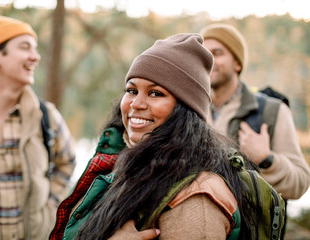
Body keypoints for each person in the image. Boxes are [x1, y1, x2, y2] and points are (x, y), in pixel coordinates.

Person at [50, 33, 256, 240]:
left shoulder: (196, 199)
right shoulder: (130, 167)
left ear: (186, 109)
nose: (136, 104)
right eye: (131, 90)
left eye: (155, 93)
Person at [0, 15, 76, 239]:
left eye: (36, 48)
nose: (35, 57)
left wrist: (50, 205)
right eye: (25, 47)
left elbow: (67, 162)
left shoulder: (47, 116)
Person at [200, 23, 310, 201]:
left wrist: (266, 159)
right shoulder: (189, 111)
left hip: (249, 228)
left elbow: (301, 183)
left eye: (217, 53)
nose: (209, 60)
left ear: (237, 63)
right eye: (204, 54)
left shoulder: (272, 111)